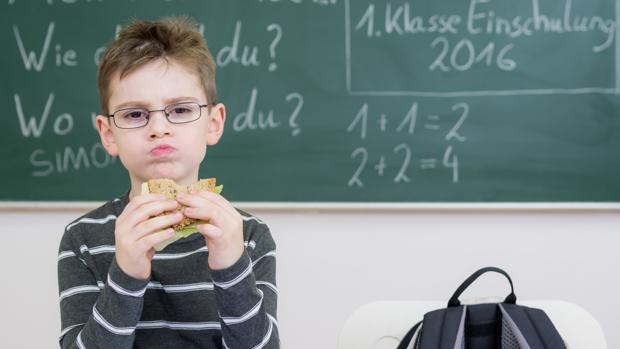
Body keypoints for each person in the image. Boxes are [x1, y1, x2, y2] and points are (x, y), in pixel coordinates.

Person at [57, 16, 278, 348]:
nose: (159, 127)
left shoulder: (247, 236)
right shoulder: (84, 240)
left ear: (213, 123)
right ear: (108, 135)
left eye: (180, 110)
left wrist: (231, 266)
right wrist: (127, 273)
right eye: (135, 114)